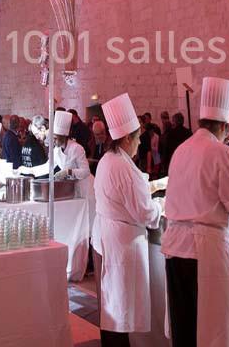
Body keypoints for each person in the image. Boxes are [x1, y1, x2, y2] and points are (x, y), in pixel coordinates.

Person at [162, 77, 229, 346]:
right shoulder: (220, 151)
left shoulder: (181, 150)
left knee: (184, 327)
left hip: (176, 247)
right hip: (205, 250)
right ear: (224, 127)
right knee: (210, 330)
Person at [93, 93, 162, 346]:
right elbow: (144, 212)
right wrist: (161, 206)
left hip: (111, 235)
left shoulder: (109, 160)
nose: (140, 143)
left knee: (113, 303)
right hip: (123, 241)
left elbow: (130, 191)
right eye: (138, 138)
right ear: (126, 137)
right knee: (120, 305)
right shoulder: (121, 166)